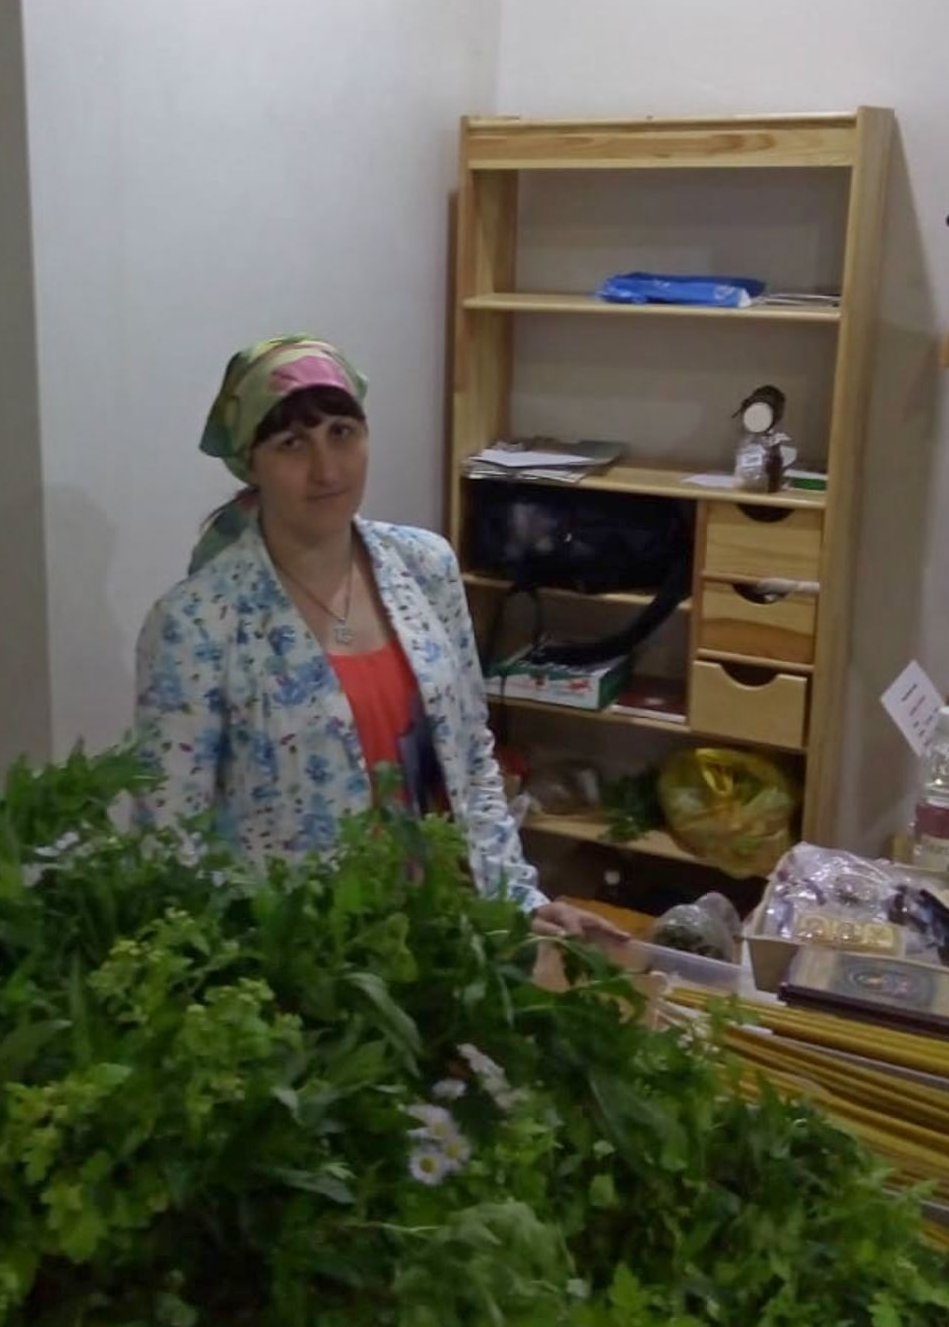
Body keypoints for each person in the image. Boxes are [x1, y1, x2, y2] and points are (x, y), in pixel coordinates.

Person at [133, 335, 623, 944]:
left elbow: (470, 755)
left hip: (445, 937)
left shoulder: (426, 566)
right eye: (292, 444)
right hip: (300, 962)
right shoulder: (197, 623)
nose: (327, 470)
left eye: (342, 432)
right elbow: (171, 841)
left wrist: (518, 899)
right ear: (250, 463)